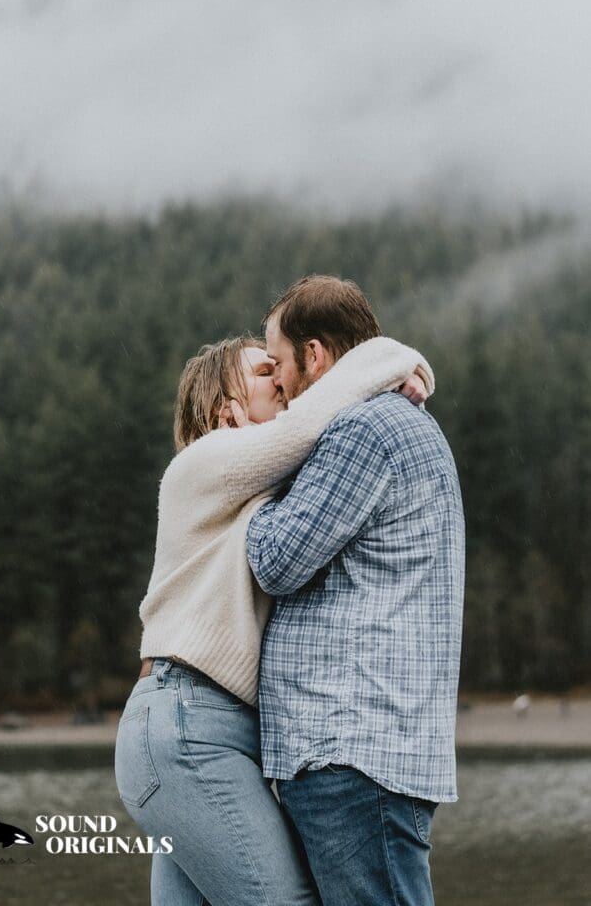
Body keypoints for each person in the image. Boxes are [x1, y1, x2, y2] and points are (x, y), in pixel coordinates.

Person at [115, 313, 434, 906]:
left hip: (206, 731)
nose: (283, 383)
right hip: (187, 727)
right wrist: (401, 361)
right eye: (264, 373)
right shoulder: (201, 464)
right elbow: (314, 419)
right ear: (222, 409)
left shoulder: (260, 490)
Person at [246, 275, 466, 906]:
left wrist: (246, 488)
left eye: (279, 363)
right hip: (365, 750)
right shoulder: (391, 422)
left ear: (315, 355)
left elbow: (275, 560)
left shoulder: (363, 432)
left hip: (353, 751)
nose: (279, 383)